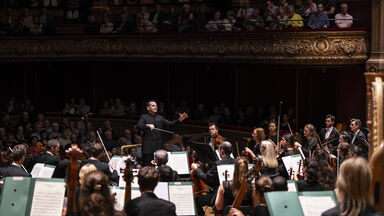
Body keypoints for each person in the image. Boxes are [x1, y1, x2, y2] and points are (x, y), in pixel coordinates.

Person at [137, 100, 188, 166]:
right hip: (148, 148)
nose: (155, 107)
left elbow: (170, 124)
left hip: (158, 147)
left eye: (156, 106)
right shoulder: (144, 117)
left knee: (159, 166)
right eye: (153, 106)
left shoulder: (160, 117)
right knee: (148, 166)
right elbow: (138, 126)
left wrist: (179, 120)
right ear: (148, 108)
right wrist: (147, 125)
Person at [191, 141, 235, 216]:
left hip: (219, 196)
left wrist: (196, 169)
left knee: (196, 201)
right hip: (233, 195)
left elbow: (207, 178)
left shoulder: (218, 164)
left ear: (221, 151)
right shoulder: (236, 162)